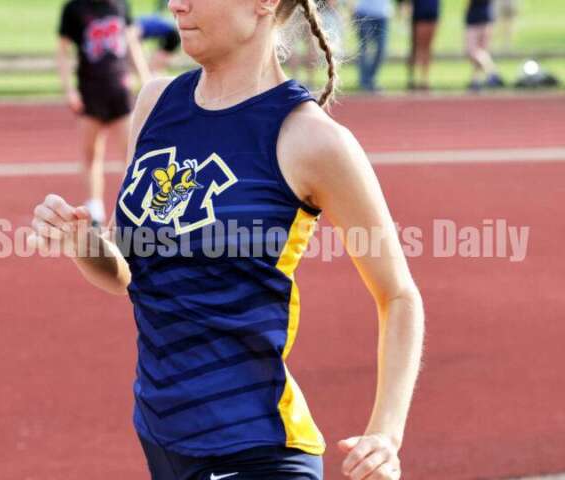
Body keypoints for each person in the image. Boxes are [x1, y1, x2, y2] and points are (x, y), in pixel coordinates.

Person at [32, 0, 424, 478]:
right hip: (163, 441)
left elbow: (399, 294)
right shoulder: (157, 105)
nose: (177, 4)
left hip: (257, 451)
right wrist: (84, 244)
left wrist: (386, 433)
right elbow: (134, 273)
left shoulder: (310, 139)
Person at [56, 0, 151, 226]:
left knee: (132, 156)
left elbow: (131, 44)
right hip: (90, 91)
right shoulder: (75, 8)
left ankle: (132, 208)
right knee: (91, 154)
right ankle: (95, 209)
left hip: (119, 90)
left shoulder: (120, 5)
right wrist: (69, 90)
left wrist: (146, 80)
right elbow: (63, 50)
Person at [465, 0, 504, 91]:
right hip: (486, 16)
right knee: (481, 51)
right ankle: (475, 80)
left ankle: (492, 71)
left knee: (472, 51)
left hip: (475, 17)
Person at [353, 0, 392, 92]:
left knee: (382, 50)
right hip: (364, 13)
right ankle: (364, 81)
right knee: (364, 49)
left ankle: (370, 79)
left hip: (382, 14)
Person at [408, 0, 440, 90]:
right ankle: (414, 78)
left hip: (432, 15)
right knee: (417, 48)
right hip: (419, 16)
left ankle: (424, 79)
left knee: (428, 49)